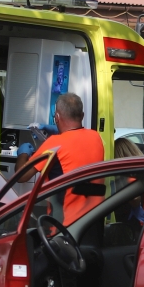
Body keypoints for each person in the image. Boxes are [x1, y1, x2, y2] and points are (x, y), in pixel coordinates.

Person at [22, 92, 104, 222]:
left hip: (63, 225)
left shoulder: (54, 143)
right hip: (91, 220)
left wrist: (23, 153)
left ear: (57, 117)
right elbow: (76, 140)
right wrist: (57, 129)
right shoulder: (96, 137)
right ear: (82, 115)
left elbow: (22, 176)